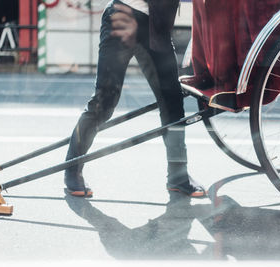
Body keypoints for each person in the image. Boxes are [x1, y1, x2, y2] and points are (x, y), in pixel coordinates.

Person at [64, 0, 206, 198]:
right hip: (122, 16)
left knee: (172, 101)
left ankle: (178, 176)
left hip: (155, 26)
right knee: (104, 103)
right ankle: (72, 169)